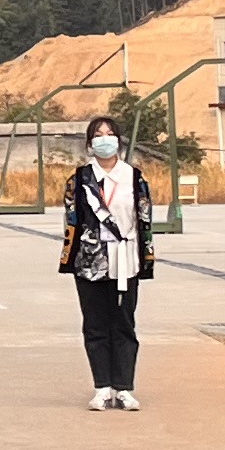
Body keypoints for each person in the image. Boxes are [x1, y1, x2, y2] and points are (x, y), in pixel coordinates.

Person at [57, 118, 158, 411]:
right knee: (95, 324)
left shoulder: (135, 178)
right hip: (90, 262)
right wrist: (71, 258)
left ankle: (124, 387)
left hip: (127, 259)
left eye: (110, 134)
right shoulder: (79, 180)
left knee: (124, 323)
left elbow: (144, 220)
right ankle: (102, 386)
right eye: (98, 135)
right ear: (90, 145)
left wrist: (145, 258)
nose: (105, 139)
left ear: (119, 141)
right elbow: (71, 220)